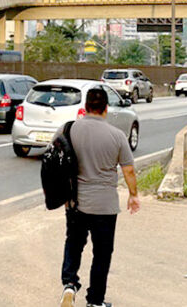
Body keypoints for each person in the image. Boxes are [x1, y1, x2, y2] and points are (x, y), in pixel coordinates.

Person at [60, 88, 140, 307]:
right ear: (105, 109)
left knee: (74, 244)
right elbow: (129, 171)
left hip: (76, 203)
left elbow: (56, 159)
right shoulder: (117, 136)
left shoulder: (69, 129)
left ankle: (69, 284)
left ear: (86, 107)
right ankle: (95, 301)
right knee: (102, 254)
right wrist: (133, 195)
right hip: (105, 206)